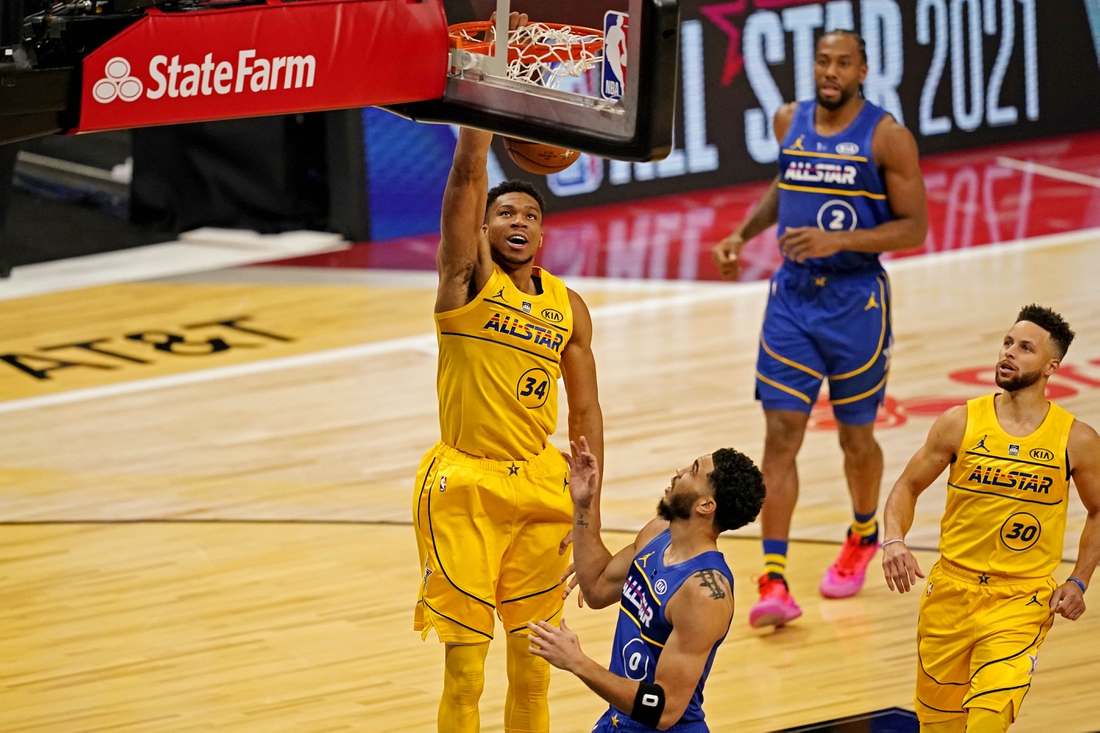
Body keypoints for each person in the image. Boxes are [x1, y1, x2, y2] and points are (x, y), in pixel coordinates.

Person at [710, 29, 928, 627]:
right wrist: (743, 233)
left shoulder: (887, 136)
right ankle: (773, 580)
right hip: (793, 299)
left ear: (862, 70)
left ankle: (862, 532)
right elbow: (786, 185)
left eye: (842, 63)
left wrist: (840, 240)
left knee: (856, 438)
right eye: (822, 61)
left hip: (857, 302)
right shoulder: (789, 120)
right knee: (781, 434)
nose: (830, 71)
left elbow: (914, 229)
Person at [412, 126, 603, 733]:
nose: (518, 221)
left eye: (529, 214)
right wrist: (477, 125)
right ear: (484, 228)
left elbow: (586, 414)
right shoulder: (464, 279)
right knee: (467, 673)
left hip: (542, 486)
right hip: (466, 490)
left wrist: (588, 515)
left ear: (543, 233)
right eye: (504, 213)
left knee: (534, 668)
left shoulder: (567, 305)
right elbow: (468, 178)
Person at [882, 305, 1100, 732]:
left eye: (1024, 348)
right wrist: (893, 539)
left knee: (987, 721)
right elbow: (906, 487)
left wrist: (1079, 579)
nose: (1009, 353)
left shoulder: (1077, 439)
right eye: (1007, 343)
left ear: (1051, 366)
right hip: (949, 592)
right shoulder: (960, 421)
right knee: (939, 725)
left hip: (1020, 600)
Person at [528, 437, 766, 732]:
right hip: (619, 721)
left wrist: (578, 662)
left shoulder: (704, 592)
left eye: (693, 471)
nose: (678, 472)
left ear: (706, 505)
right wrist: (584, 506)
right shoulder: (658, 533)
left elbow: (664, 709)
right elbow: (598, 587)